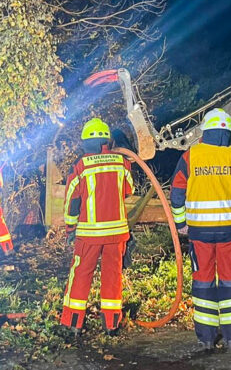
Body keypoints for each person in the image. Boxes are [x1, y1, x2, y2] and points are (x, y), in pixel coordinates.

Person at [170, 108, 231, 351]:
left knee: (203, 281)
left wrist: (181, 223)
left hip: (200, 232)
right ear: (228, 132)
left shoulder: (192, 155)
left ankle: (206, 338)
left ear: (205, 131)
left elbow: (177, 192)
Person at [60, 118, 135, 336]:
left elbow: (72, 201)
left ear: (86, 143)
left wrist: (70, 229)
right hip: (117, 234)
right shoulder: (121, 162)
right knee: (113, 276)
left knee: (81, 275)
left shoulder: (82, 165)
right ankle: (111, 324)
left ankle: (74, 323)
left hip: (89, 235)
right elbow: (129, 189)